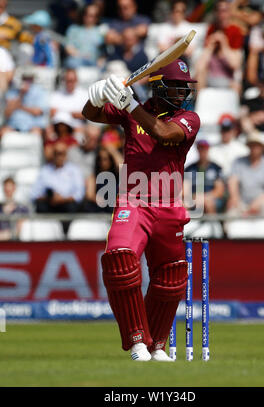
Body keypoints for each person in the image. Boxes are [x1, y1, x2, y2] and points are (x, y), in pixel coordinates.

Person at [82, 58, 200, 361]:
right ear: (159, 87)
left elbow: (163, 133)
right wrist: (95, 96)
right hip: (133, 201)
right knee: (120, 259)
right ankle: (136, 340)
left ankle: (156, 344)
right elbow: (89, 114)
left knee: (171, 277)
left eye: (184, 87)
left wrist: (130, 104)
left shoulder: (189, 118)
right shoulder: (134, 109)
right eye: (175, 87)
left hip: (170, 206)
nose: (182, 92)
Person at [195, 0, 244, 93]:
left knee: (236, 84)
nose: (222, 14)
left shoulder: (235, 31)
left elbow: (235, 65)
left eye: (225, 10)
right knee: (199, 75)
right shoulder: (211, 29)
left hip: (228, 78)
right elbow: (200, 66)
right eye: (219, 10)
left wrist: (224, 44)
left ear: (229, 12)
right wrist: (210, 46)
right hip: (211, 75)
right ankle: (199, 105)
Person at [227, 131, 264, 216]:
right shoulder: (238, 162)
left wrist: (257, 202)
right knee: (231, 210)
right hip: (242, 201)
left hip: (261, 201)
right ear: (248, 146)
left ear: (262, 147)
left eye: (257, 145)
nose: (254, 148)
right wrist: (235, 198)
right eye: (252, 145)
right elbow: (233, 182)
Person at [31, 142, 85, 214]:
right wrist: (49, 198)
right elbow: (34, 194)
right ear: (53, 154)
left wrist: (62, 199)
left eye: (62, 153)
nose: (59, 157)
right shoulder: (45, 170)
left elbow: (79, 194)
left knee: (73, 207)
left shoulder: (74, 170)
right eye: (56, 153)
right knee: (40, 206)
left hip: (67, 204)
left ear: (66, 155)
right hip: (49, 204)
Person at [2, 71, 49, 136]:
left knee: (36, 132)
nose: (26, 81)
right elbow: (7, 113)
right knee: (3, 132)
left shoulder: (40, 92)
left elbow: (37, 112)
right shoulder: (12, 92)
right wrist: (21, 95)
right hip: (14, 125)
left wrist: (20, 106)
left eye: (29, 79)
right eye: (24, 79)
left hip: (32, 126)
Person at [185, 139, 225, 213]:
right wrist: (194, 197)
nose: (202, 151)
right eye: (200, 148)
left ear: (208, 149)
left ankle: (213, 223)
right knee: (183, 205)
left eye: (204, 149)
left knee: (208, 203)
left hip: (211, 198)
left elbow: (219, 190)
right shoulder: (189, 168)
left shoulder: (216, 168)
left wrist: (204, 197)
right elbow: (185, 190)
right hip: (193, 197)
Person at [64, 3, 108, 68]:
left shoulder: (102, 30)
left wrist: (102, 59)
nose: (88, 17)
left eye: (93, 16)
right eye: (86, 14)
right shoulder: (73, 29)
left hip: (95, 63)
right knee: (71, 62)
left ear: (97, 17)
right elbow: (68, 48)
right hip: (77, 61)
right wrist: (81, 56)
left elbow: (105, 50)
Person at [209, 113, 249, 179]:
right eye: (223, 130)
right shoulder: (211, 149)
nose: (225, 133)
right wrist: (200, 189)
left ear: (234, 130)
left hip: (237, 185)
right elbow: (201, 169)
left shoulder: (243, 150)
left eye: (228, 130)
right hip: (216, 183)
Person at [49, 68, 88, 133]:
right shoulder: (56, 94)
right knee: (49, 130)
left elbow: (86, 114)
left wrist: (64, 111)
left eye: (71, 81)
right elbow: (52, 112)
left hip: (75, 125)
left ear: (76, 80)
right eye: (67, 80)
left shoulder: (84, 94)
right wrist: (72, 113)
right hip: (58, 124)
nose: (69, 83)